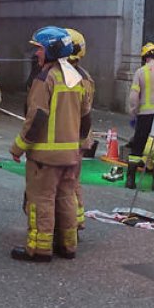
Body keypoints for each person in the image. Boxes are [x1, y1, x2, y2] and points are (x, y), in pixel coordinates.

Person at [10, 26, 91, 262]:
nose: (36, 54)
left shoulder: (45, 78)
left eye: (39, 49)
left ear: (52, 50)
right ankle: (68, 246)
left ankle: (39, 249)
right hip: (70, 155)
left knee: (41, 200)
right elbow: (86, 118)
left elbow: (37, 117)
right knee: (66, 198)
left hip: (45, 157)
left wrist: (18, 147)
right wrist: (76, 145)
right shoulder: (76, 78)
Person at [126, 42, 154, 190]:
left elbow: (133, 95)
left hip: (144, 115)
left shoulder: (141, 72)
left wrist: (133, 111)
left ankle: (130, 180)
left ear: (145, 57)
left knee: (138, 146)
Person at [65, 28, 94, 230]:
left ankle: (71, 221)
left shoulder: (66, 76)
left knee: (67, 181)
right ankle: (78, 218)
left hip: (69, 134)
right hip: (82, 135)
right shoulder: (86, 76)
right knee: (74, 179)